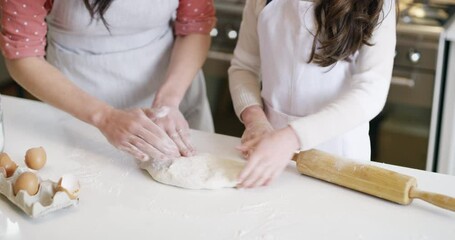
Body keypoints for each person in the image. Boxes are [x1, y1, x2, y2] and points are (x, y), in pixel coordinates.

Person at [0, 0, 216, 162]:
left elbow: (195, 25)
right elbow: (23, 55)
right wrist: (105, 117)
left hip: (174, 90)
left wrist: (168, 102)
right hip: (78, 102)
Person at [229, 0, 397, 188]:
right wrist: (255, 120)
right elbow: (244, 67)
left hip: (340, 159)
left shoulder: (379, 5)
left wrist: (292, 137)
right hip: (266, 155)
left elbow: (371, 92)